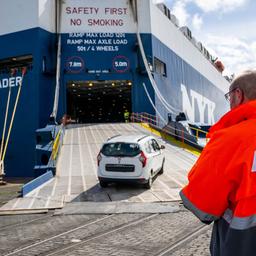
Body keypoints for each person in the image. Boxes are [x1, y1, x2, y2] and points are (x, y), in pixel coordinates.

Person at [180, 70, 256, 256]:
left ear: (238, 95)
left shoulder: (230, 139)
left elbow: (202, 206)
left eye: (229, 96)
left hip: (243, 242)